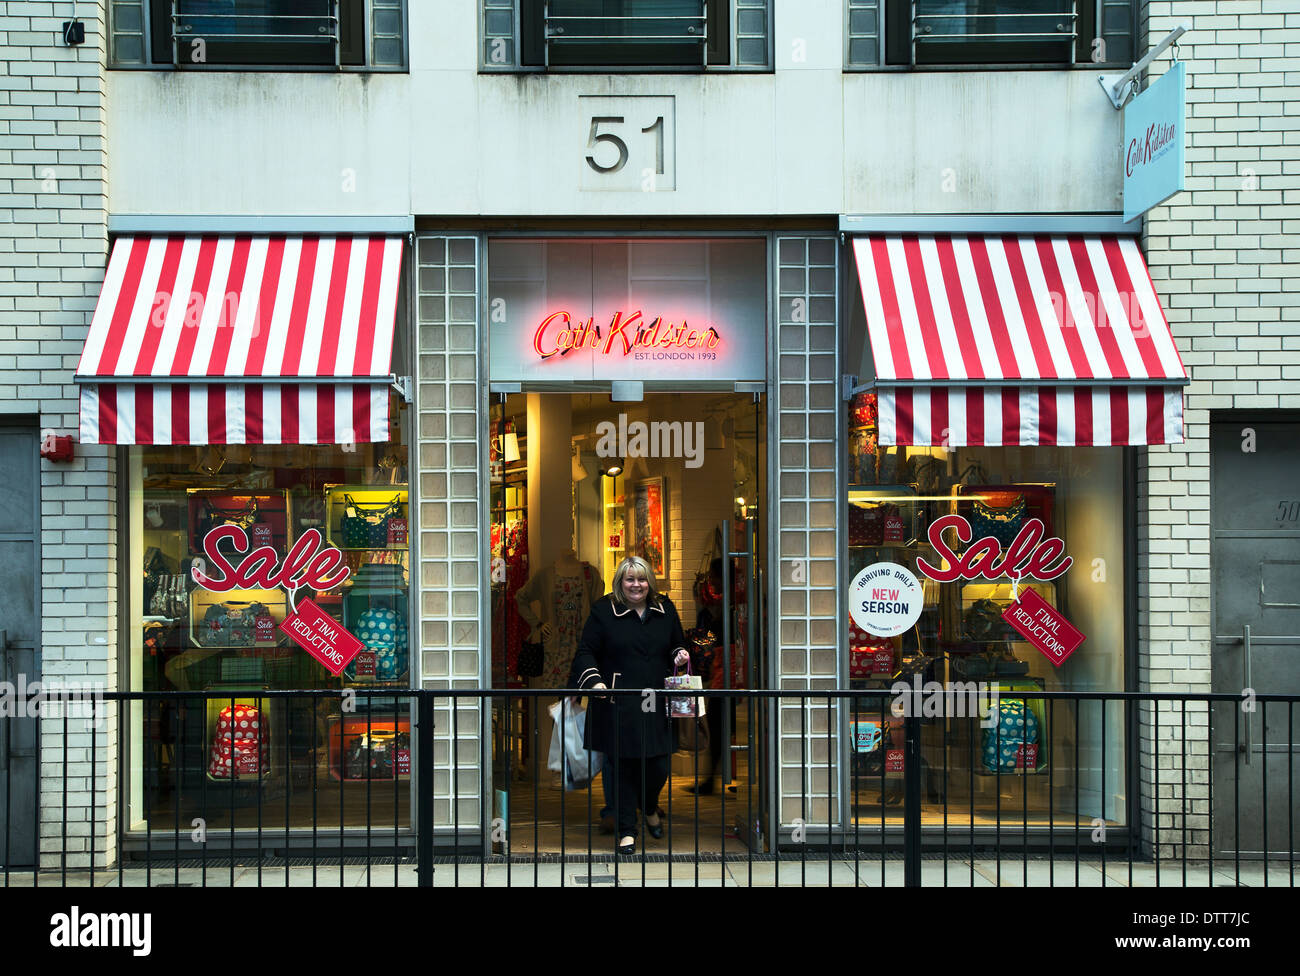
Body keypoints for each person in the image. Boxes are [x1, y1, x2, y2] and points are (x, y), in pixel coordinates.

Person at [568, 555, 690, 855]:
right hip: (617, 702)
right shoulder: (603, 611)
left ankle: (649, 807)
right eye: (630, 579)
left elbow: (677, 642)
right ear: (621, 582)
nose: (637, 585)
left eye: (642, 579)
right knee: (622, 768)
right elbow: (586, 651)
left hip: (656, 700)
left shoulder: (666, 609)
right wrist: (595, 681)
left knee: (658, 765)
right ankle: (627, 831)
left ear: (650, 581)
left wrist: (679, 655)